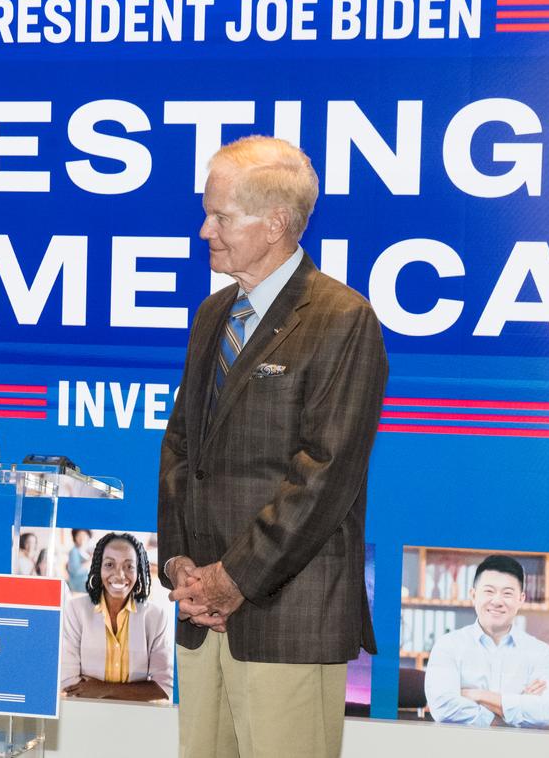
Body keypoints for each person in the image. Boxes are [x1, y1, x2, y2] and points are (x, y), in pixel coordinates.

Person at [158, 136, 388, 758]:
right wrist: (180, 565)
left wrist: (233, 578)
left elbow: (325, 475)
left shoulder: (342, 318)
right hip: (203, 616)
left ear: (276, 224)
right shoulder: (212, 316)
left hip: (288, 616)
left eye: (221, 216)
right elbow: (182, 448)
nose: (205, 229)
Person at [424, 555, 549, 728]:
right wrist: (511, 712)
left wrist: (478, 695)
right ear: (473, 595)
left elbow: (548, 712)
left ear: (521, 599)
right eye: (489, 591)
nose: (497, 601)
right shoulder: (448, 646)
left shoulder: (540, 653)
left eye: (507, 593)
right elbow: (443, 707)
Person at [60, 532, 173, 702]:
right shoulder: (75, 611)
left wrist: (102, 689)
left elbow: (164, 687)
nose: (119, 575)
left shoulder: (155, 617)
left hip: (137, 719)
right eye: (109, 564)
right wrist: (139, 690)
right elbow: (69, 683)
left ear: (139, 570)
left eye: (129, 566)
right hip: (85, 716)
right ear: (98, 567)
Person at [66, 528, 92, 593]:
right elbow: (75, 571)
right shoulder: (74, 551)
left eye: (84, 535)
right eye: (79, 535)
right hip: (78, 587)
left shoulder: (87, 551)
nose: (82, 538)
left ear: (88, 536)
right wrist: (90, 561)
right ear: (75, 538)